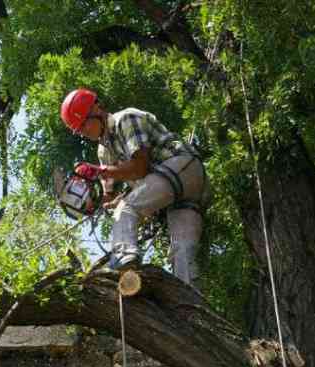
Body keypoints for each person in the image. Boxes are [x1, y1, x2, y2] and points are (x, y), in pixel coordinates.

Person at [60, 88, 210, 288]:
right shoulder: (104, 151)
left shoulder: (126, 119)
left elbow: (140, 168)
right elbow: (108, 194)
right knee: (182, 254)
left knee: (127, 208)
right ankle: (192, 309)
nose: (84, 132)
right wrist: (94, 203)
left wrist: (101, 171)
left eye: (85, 123)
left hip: (182, 167)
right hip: (177, 195)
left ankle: (124, 256)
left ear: (97, 109)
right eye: (79, 130)